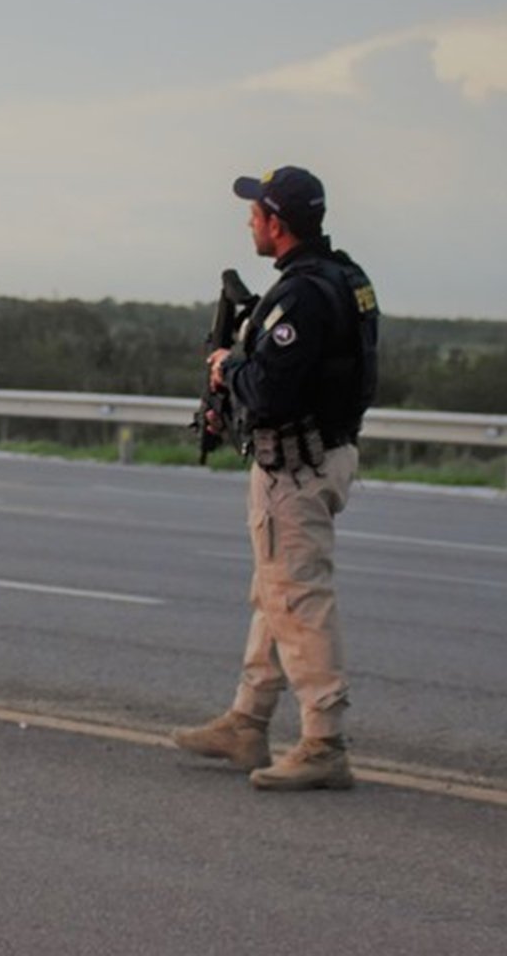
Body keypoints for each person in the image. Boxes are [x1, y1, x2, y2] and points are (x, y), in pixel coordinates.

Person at [173, 165, 379, 791]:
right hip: (325, 453)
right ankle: (248, 721)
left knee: (298, 599)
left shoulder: (300, 296)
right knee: (277, 593)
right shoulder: (348, 278)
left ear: (277, 224)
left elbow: (267, 392)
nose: (248, 222)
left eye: (255, 214)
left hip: (295, 466)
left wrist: (227, 367)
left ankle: (324, 743)